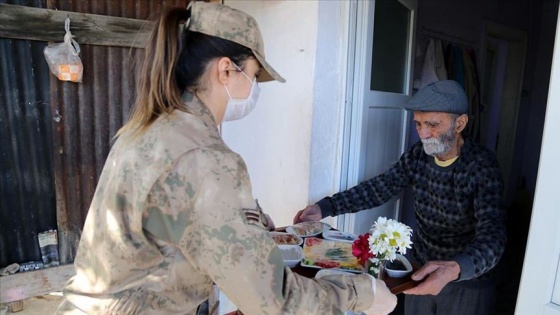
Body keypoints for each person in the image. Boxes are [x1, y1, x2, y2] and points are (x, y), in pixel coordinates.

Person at [55, 2, 397, 314]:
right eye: (253, 74)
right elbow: (273, 303)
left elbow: (177, 231)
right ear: (226, 71)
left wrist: (253, 225)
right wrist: (361, 293)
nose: (254, 88)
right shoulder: (203, 158)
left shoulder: (150, 130)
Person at [294, 80, 506, 315]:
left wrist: (455, 268)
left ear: (459, 124)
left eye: (433, 124)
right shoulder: (418, 156)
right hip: (422, 267)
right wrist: (325, 207)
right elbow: (381, 187)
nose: (423, 133)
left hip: (469, 280)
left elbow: (493, 234)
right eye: (418, 124)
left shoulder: (482, 167)